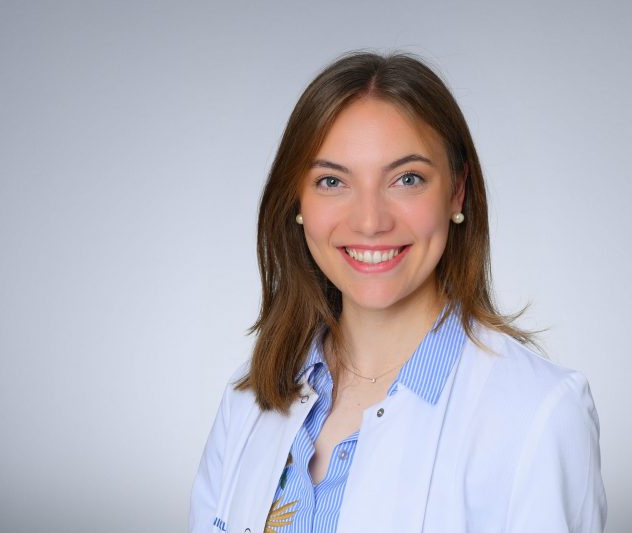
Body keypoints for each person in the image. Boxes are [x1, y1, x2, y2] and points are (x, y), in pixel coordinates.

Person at [190, 51, 607, 533]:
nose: (370, 221)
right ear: (297, 201)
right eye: (332, 181)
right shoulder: (247, 400)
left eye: (407, 179)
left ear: (457, 192)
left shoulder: (539, 413)